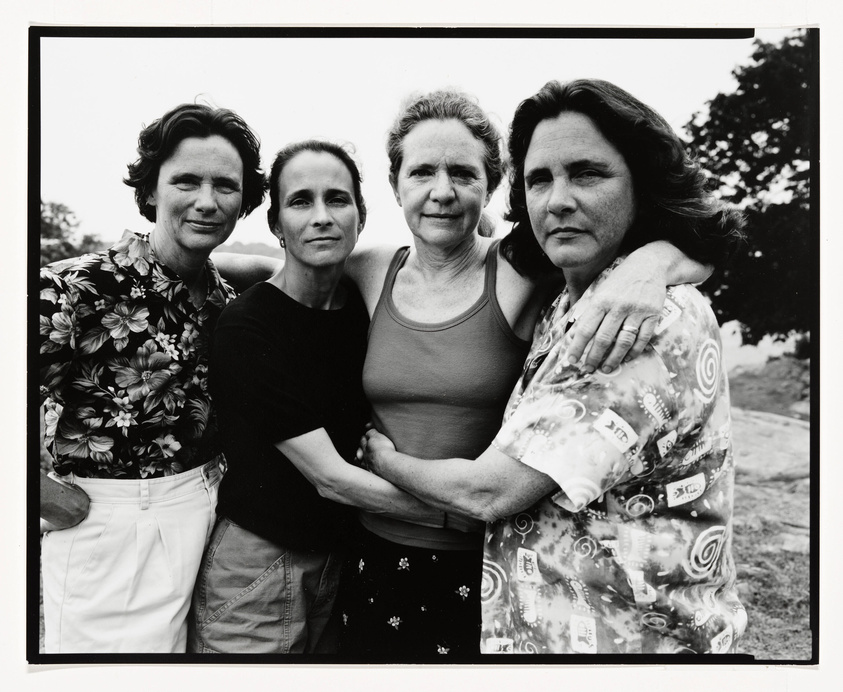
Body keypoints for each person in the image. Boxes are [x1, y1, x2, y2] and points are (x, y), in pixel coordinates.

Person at [361, 79, 748, 655]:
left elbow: (491, 493)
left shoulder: (642, 323)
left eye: (587, 173)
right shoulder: (572, 299)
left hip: (636, 646)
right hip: (542, 630)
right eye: (540, 179)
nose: (558, 200)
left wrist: (382, 461)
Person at [188, 140, 464, 655]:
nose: (321, 217)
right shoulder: (248, 328)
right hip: (258, 570)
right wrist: (454, 517)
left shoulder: (363, 304)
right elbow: (330, 478)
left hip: (341, 565)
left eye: (337, 199)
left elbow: (473, 238)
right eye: (300, 202)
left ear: (361, 216)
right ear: (276, 223)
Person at [38, 102, 266, 653]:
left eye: (226, 186)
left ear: (246, 201)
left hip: (209, 521)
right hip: (108, 531)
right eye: (186, 181)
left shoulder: (226, 304)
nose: (206, 201)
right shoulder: (73, 289)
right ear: (150, 191)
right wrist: (35, 493)